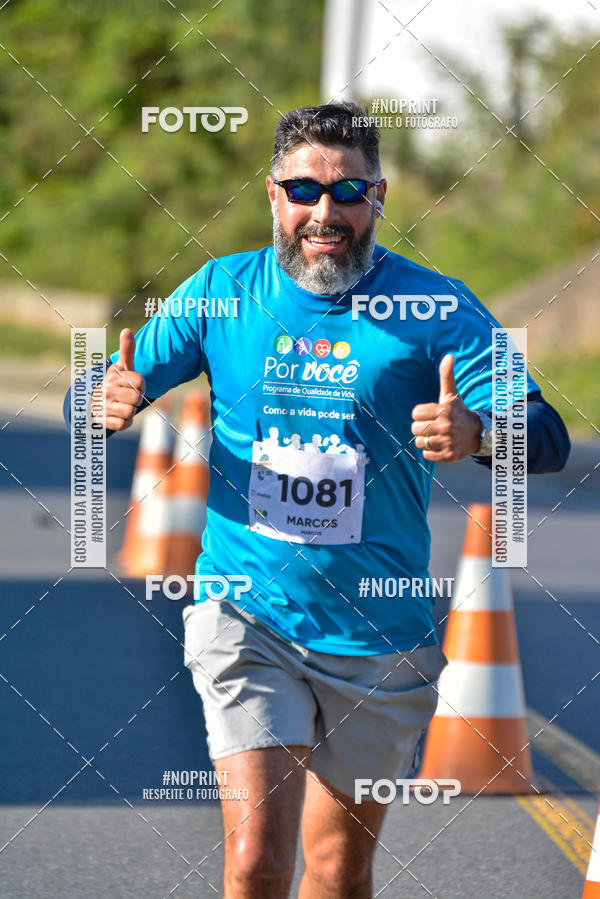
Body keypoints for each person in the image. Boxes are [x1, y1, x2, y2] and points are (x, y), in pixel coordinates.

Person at [64, 102, 570, 898]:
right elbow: (92, 392)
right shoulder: (224, 291)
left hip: (378, 630)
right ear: (273, 195)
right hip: (245, 612)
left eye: (347, 191)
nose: (324, 212)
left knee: (336, 870)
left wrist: (479, 433)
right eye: (303, 190)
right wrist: (97, 398)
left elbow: (546, 436)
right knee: (255, 861)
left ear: (379, 197)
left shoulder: (435, 308)